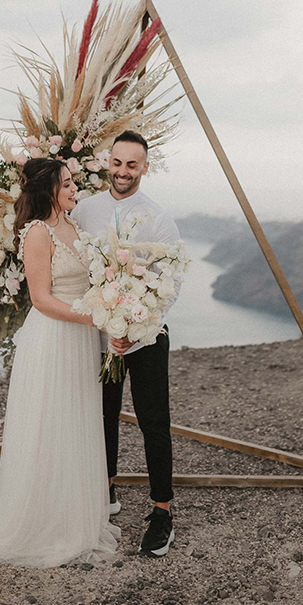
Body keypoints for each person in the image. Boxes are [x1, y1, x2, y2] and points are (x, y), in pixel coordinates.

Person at [0, 158, 119, 567]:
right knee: (50, 421)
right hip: (53, 338)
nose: (73, 189)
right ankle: (43, 521)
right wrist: (94, 316)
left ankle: (76, 516)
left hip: (81, 339)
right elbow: (42, 299)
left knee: (78, 420)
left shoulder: (74, 226)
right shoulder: (36, 233)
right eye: (66, 183)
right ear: (47, 189)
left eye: (72, 182)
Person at [72, 130, 180, 558]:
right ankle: (107, 492)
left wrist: (132, 328)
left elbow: (170, 286)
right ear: (108, 162)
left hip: (147, 338)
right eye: (117, 163)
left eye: (132, 165)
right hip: (98, 336)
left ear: (145, 168)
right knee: (103, 416)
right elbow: (79, 270)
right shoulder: (84, 211)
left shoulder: (158, 219)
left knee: (154, 422)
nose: (122, 172)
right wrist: (105, 325)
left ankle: (162, 511)